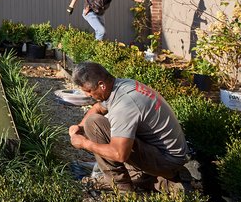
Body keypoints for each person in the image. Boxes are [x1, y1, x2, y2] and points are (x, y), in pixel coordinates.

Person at [68, 61, 189, 192]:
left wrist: (85, 143)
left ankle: (124, 192)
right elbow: (98, 108)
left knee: (97, 129)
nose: (87, 95)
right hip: (165, 152)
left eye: (89, 91)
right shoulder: (121, 85)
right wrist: (80, 127)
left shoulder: (124, 106)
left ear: (101, 85)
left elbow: (119, 154)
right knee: (92, 122)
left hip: (168, 161)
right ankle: (148, 178)